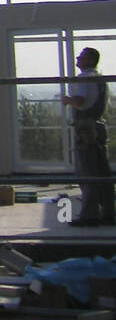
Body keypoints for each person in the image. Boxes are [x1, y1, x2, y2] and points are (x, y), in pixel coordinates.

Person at [61, 47, 113, 226]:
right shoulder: (100, 79)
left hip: (85, 129)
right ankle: (108, 212)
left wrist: (68, 100)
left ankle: (89, 215)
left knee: (87, 172)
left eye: (81, 57)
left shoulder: (84, 79)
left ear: (90, 60)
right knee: (102, 172)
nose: (77, 58)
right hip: (98, 126)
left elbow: (80, 101)